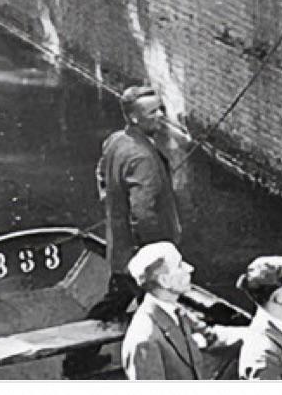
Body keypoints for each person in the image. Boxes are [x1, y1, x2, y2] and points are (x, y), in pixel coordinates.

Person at [92, 85, 182, 320]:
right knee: (151, 308)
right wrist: (159, 254)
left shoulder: (116, 141)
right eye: (153, 113)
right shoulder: (142, 157)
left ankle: (80, 355)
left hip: (120, 246)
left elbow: (101, 174)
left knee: (116, 300)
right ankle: (79, 354)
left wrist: (111, 202)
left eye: (161, 110)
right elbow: (143, 213)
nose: (161, 117)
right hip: (141, 256)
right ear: (134, 117)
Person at [121, 242, 205, 380]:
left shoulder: (174, 311)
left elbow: (209, 335)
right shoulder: (145, 338)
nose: (189, 268)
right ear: (164, 281)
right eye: (179, 265)